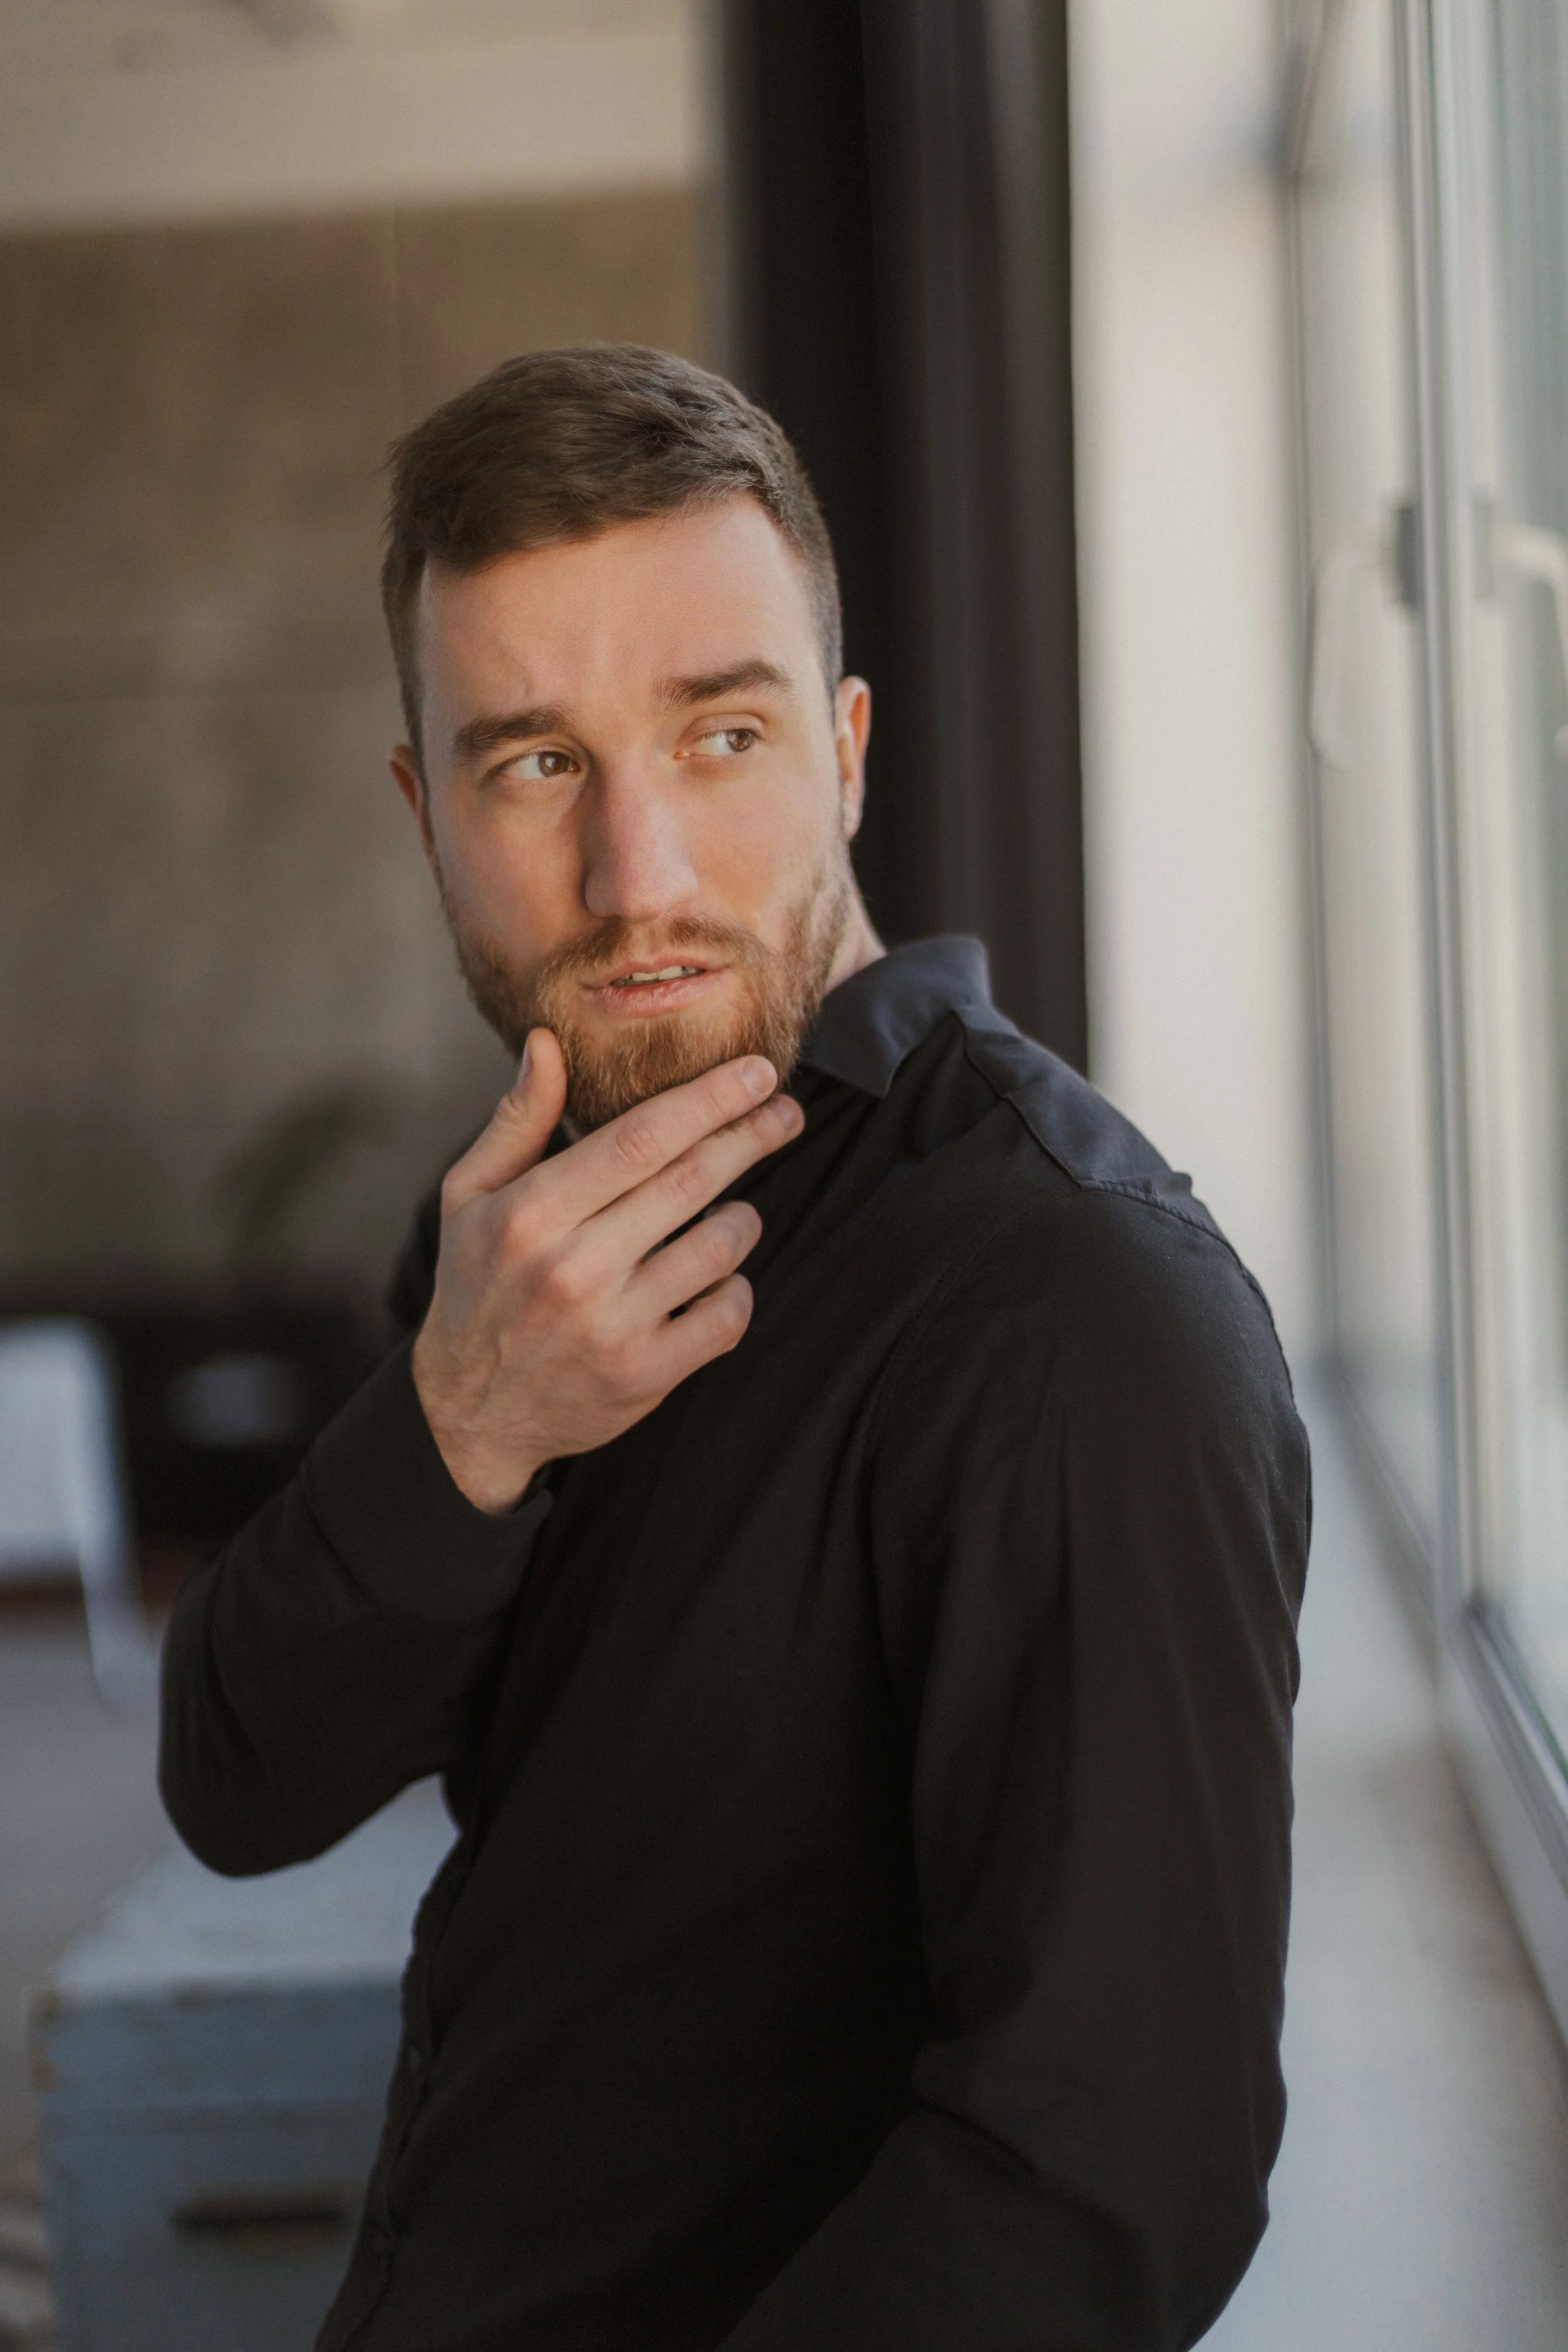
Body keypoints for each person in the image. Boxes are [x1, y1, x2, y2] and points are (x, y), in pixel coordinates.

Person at [159, 344, 1311, 2352]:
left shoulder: (1081, 1309)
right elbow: (238, 1779)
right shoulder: (518, 1219)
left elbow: (1102, 2180)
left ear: (847, 750)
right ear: (425, 807)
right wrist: (458, 1433)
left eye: (719, 735)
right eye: (534, 764)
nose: (640, 882)